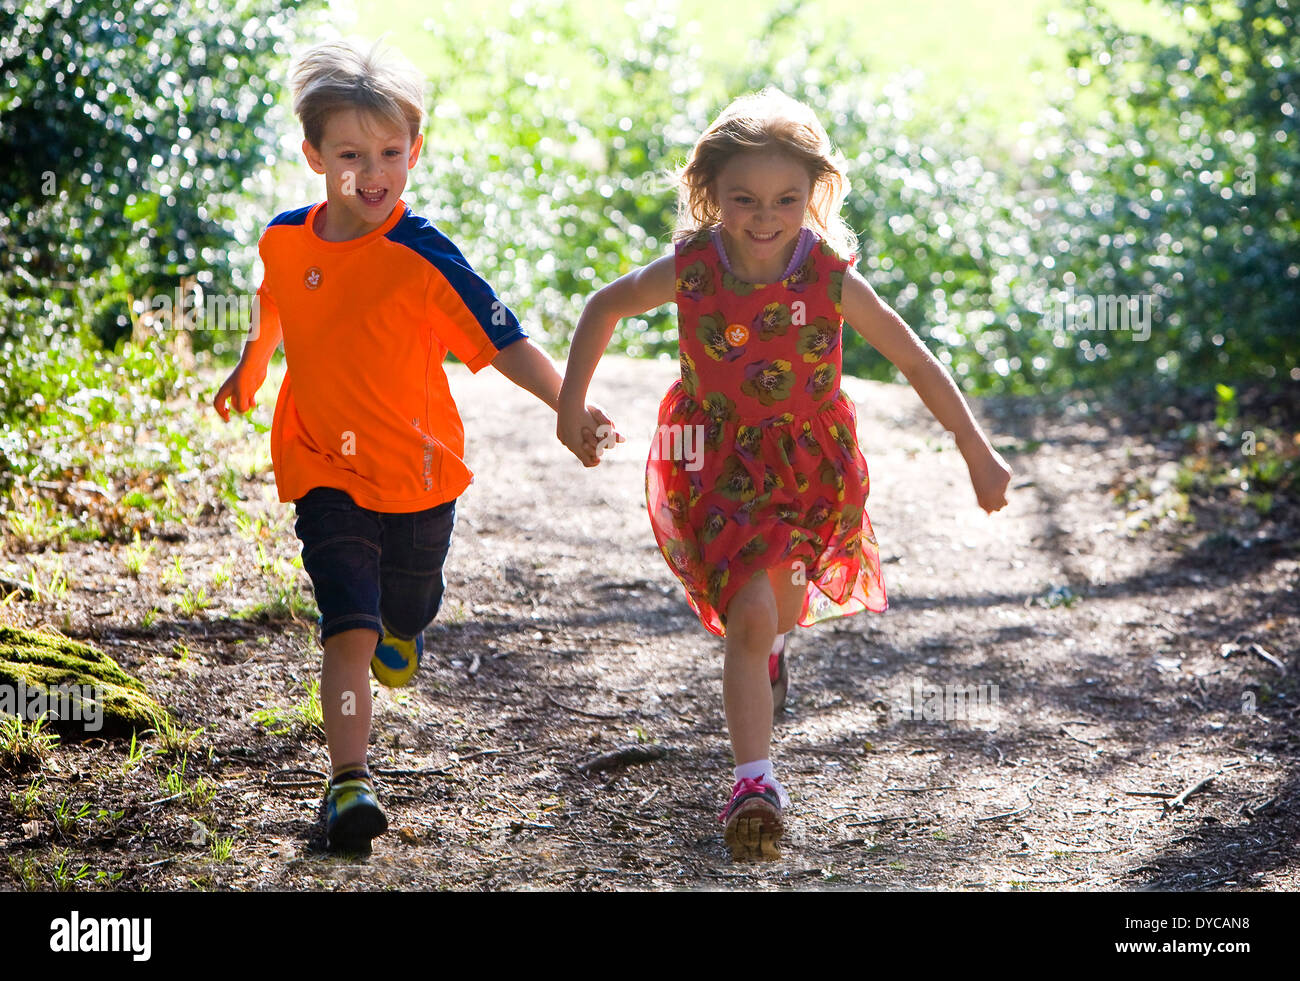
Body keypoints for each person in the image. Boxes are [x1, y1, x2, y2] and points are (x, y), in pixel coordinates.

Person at [557, 89, 1011, 861]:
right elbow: (602, 307)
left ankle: (767, 653)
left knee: (780, 613)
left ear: (814, 196)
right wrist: (572, 409)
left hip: (810, 469)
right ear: (711, 194)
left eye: (785, 200)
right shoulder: (693, 270)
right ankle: (754, 782)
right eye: (744, 199)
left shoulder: (829, 277)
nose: (764, 217)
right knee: (751, 608)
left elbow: (912, 358)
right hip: (715, 461)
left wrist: (974, 445)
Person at [213, 39, 613, 853]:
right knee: (346, 625)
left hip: (420, 474)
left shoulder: (423, 254)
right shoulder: (286, 239)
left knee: (404, 608)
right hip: (323, 462)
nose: (373, 171)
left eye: (390, 153)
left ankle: (407, 626)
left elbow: (504, 341)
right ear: (314, 154)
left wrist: (570, 407)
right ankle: (348, 780)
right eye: (351, 154)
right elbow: (275, 303)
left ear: (415, 151)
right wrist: (251, 369)